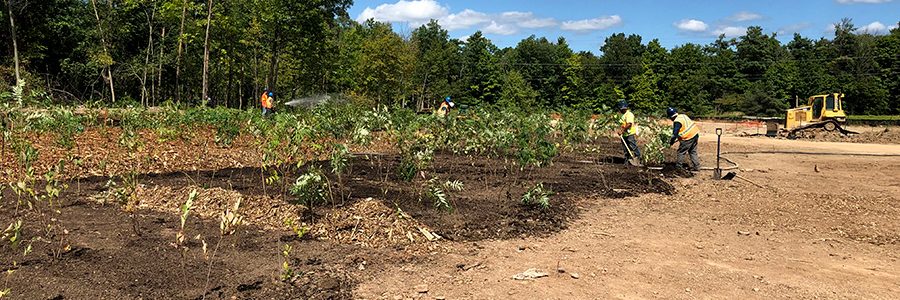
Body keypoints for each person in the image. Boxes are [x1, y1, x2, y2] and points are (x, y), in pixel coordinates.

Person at [617, 100, 642, 164]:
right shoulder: (621, 115)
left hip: (629, 134)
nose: (622, 110)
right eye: (621, 109)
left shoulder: (629, 114)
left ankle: (638, 158)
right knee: (625, 148)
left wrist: (622, 130)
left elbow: (629, 124)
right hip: (624, 134)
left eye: (624, 109)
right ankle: (628, 160)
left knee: (633, 146)